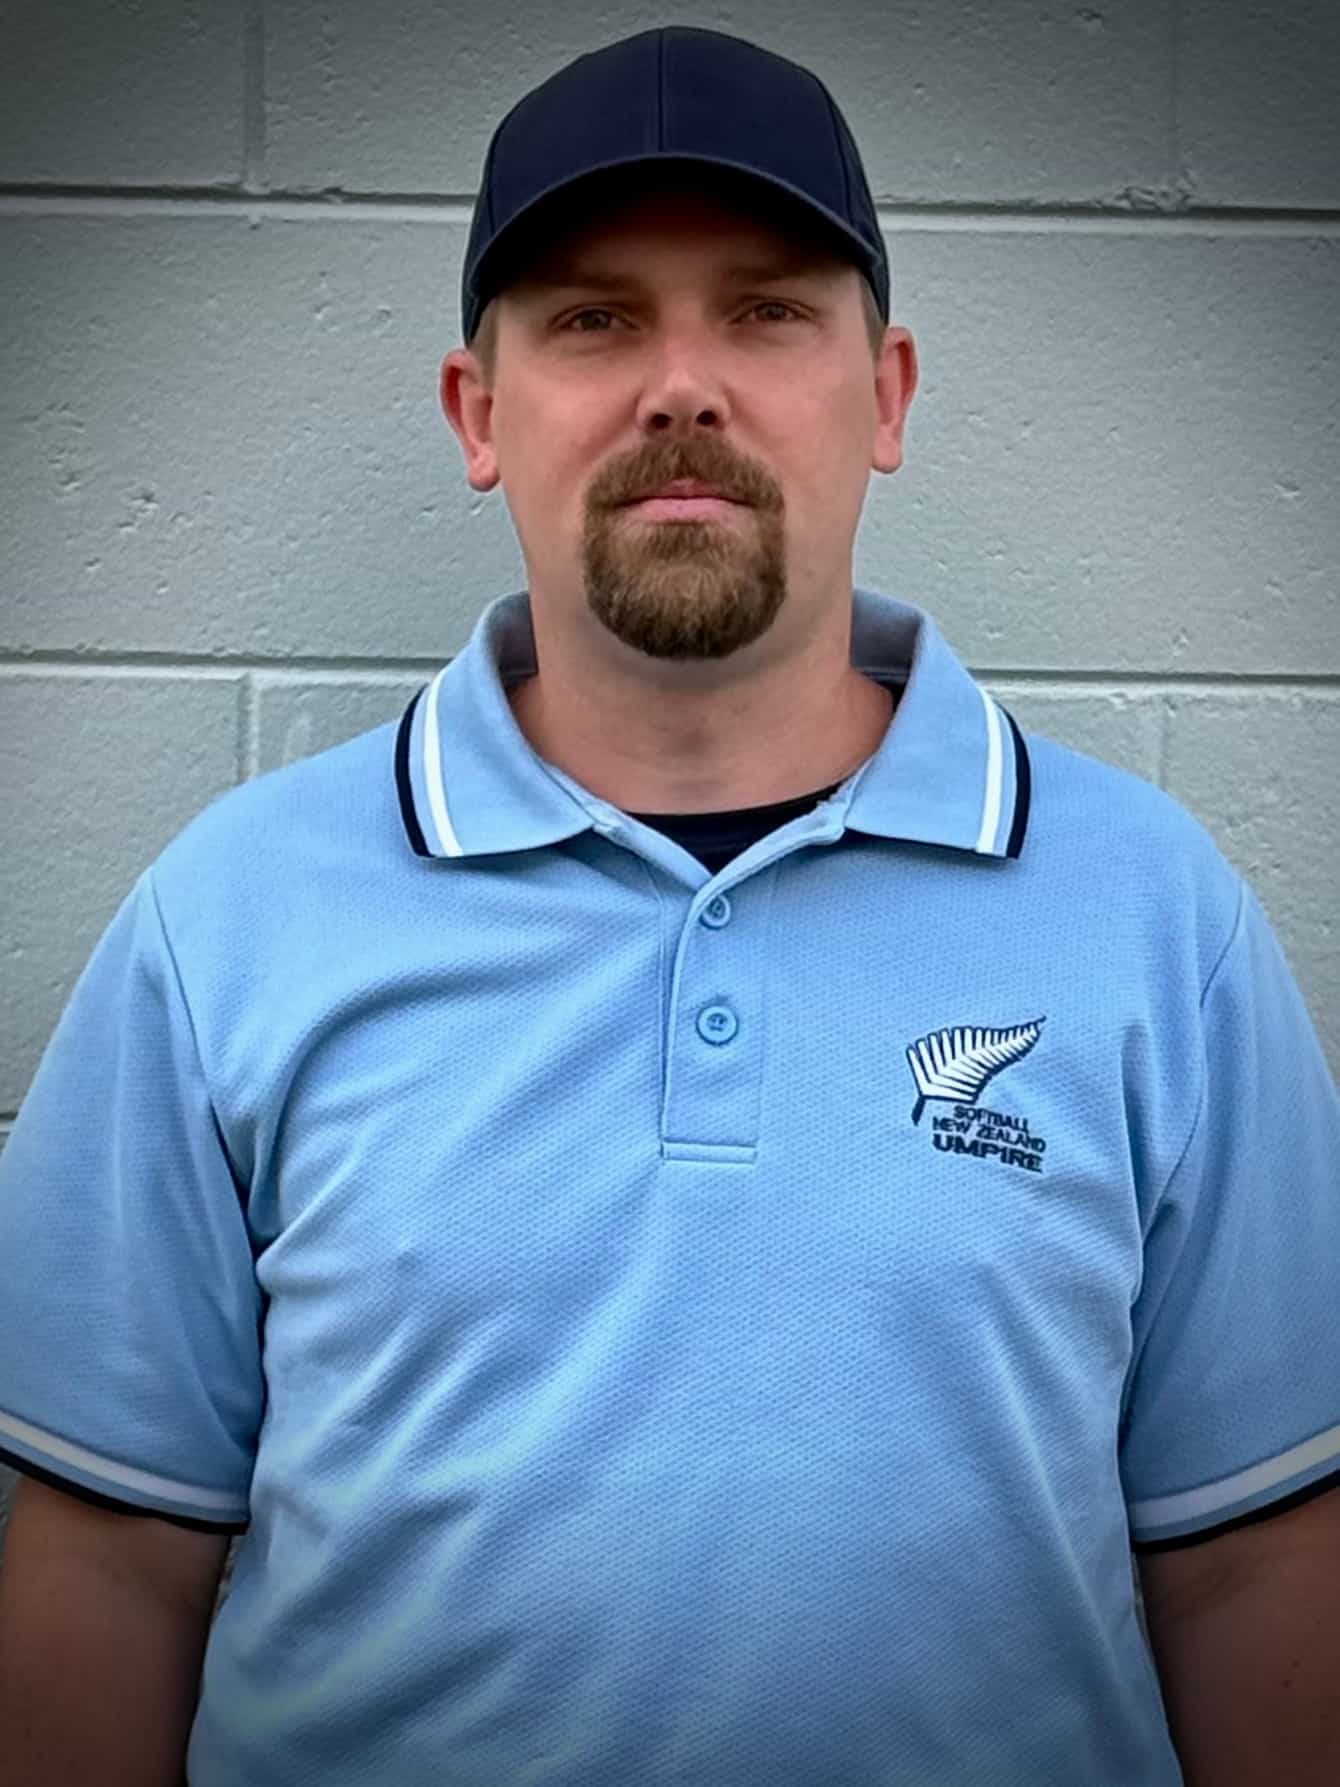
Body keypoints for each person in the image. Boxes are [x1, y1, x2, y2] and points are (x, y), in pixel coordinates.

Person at [0, 23, 1337, 1787]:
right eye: (593, 319)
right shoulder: (227, 922)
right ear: (480, 414)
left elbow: (1254, 1564)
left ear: (889, 396)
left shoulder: (1158, 920)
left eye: (767, 310)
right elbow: (108, 1558)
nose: (683, 386)